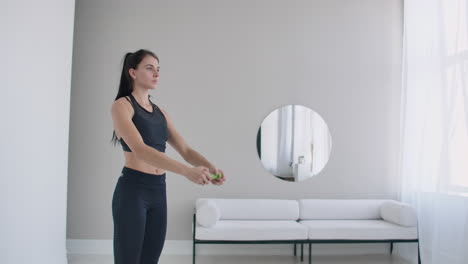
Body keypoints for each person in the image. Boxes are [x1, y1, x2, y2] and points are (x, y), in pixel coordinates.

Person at [110, 49, 226, 264]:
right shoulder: (122, 106)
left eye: (158, 69)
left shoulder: (160, 112)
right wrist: (187, 171)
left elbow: (185, 150)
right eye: (149, 68)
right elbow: (141, 150)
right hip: (133, 192)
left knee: (150, 260)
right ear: (133, 73)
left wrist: (210, 167)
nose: (156, 74)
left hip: (158, 191)